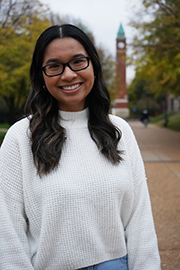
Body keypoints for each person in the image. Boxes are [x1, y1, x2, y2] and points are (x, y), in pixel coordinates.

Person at [0, 24, 161, 270]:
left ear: (93, 66)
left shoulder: (119, 130)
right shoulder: (20, 137)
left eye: (78, 62)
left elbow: (139, 219)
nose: (68, 75)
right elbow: (7, 232)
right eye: (54, 66)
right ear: (41, 75)